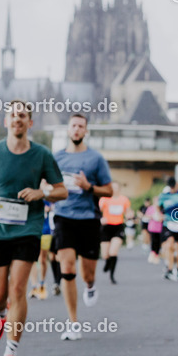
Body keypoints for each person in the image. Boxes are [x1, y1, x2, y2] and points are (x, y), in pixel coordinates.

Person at [0, 100, 66, 356]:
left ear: (30, 122)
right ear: (6, 121)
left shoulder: (42, 154)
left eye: (22, 115)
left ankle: (10, 353)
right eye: (12, 115)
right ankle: (0, 313)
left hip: (27, 229)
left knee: (18, 290)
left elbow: (62, 191)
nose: (17, 119)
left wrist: (41, 193)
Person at [51, 114, 112, 339]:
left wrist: (89, 187)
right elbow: (48, 185)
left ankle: (90, 285)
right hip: (64, 217)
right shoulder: (56, 158)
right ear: (68, 130)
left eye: (81, 126)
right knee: (67, 268)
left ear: (86, 131)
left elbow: (109, 190)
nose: (76, 129)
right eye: (73, 126)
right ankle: (73, 323)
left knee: (87, 273)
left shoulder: (96, 158)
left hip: (88, 218)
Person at [98, 182, 131, 284]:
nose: (114, 189)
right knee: (105, 254)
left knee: (113, 252)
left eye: (116, 187)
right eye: (112, 188)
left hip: (118, 227)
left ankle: (112, 275)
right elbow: (97, 211)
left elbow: (128, 211)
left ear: (119, 189)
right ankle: (107, 262)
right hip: (106, 227)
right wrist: (100, 218)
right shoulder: (104, 199)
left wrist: (129, 215)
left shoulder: (124, 199)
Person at [29, 200, 54, 300]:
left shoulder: (46, 197)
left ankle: (42, 285)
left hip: (45, 231)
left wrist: (49, 208)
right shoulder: (30, 196)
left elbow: (54, 205)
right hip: (33, 231)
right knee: (33, 259)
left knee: (42, 259)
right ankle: (34, 287)